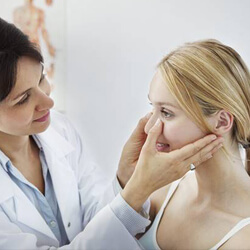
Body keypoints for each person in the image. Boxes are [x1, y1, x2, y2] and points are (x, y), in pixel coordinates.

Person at [0, 18, 222, 250]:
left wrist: (125, 178)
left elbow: (95, 222)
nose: (48, 101)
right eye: (24, 99)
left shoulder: (60, 130)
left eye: (41, 79)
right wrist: (139, 189)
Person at [137, 39, 250, 249]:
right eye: (152, 108)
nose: (149, 128)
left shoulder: (244, 237)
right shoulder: (160, 194)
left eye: (167, 113)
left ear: (222, 121)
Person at [13, 0, 55, 79]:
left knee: (35, 73)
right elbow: (14, 31)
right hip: (22, 47)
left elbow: (43, 31)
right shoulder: (17, 12)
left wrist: (49, 46)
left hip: (35, 46)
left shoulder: (39, 12)